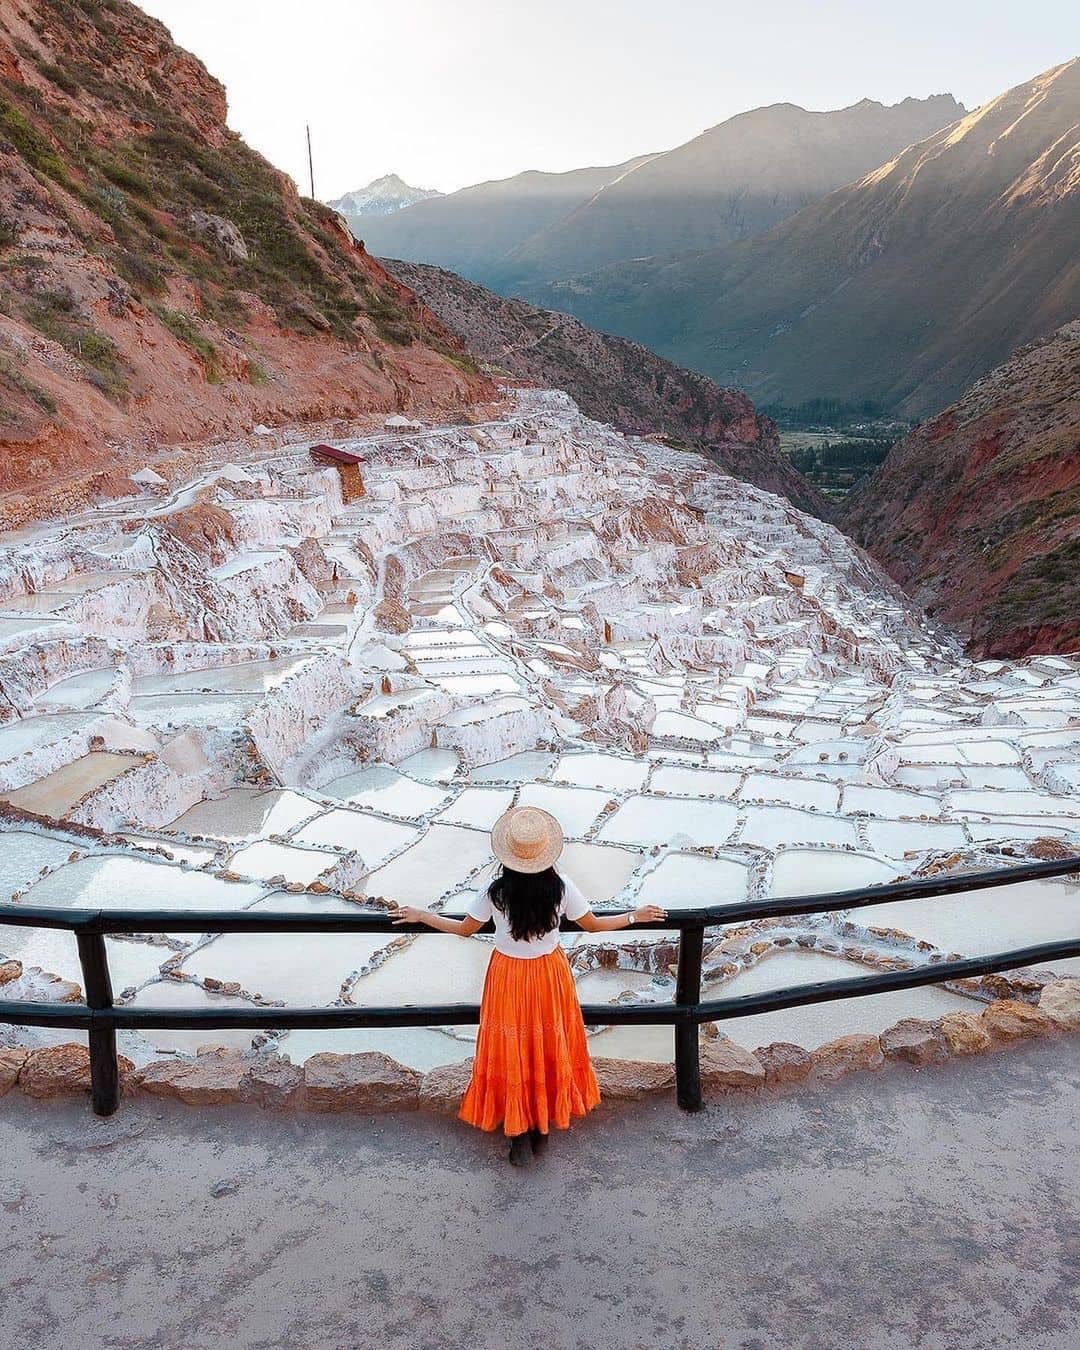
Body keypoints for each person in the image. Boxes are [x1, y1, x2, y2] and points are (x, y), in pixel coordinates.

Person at [392, 804, 667, 1164]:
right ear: (545, 852)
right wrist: (635, 916)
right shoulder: (560, 888)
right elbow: (594, 926)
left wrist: (422, 915)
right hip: (548, 974)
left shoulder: (496, 892)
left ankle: (518, 1133)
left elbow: (464, 930)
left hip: (508, 974)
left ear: (508, 854)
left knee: (511, 1046)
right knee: (547, 1042)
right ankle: (541, 1124)